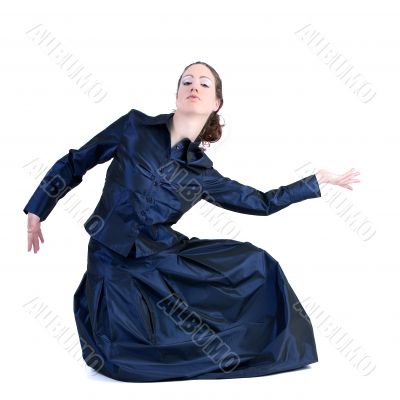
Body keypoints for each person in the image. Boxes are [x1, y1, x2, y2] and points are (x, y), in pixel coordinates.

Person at [23, 61, 360, 382]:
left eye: (203, 83)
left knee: (257, 263)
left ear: (216, 102)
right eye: (187, 81)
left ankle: (258, 346)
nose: (193, 87)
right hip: (109, 257)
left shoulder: (202, 173)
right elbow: (77, 161)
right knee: (120, 359)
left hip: (161, 257)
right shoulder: (134, 127)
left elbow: (261, 202)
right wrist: (39, 207)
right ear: (176, 95)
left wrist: (314, 181)